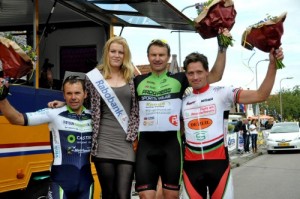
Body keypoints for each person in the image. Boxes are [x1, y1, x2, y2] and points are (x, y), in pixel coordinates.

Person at [134, 29, 230, 198]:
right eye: (153, 55)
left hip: (171, 146)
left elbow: (215, 75)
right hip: (146, 146)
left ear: (168, 57)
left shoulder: (179, 79)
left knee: (171, 196)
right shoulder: (138, 81)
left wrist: (222, 46)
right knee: (145, 196)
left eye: (161, 55)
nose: (157, 58)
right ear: (148, 56)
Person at [181, 48, 283, 198]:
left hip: (219, 166)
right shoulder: (183, 100)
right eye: (191, 73)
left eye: (199, 72)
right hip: (191, 168)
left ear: (207, 72)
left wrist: (273, 65)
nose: (195, 77)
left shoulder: (222, 93)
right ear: (186, 75)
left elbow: (261, 95)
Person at [48, 36, 139, 199]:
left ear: (125, 55)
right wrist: (64, 104)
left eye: (120, 52)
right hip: (103, 141)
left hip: (126, 141)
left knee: (123, 195)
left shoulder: (132, 78)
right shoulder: (94, 78)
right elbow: (85, 100)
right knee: (109, 193)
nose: (116, 55)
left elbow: (138, 108)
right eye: (113, 51)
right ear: (107, 53)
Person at [0, 76, 94, 199]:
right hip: (60, 182)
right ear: (64, 95)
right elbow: (17, 119)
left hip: (86, 183)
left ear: (85, 94)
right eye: (69, 93)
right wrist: (2, 99)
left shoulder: (93, 117)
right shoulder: (54, 113)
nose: (73, 97)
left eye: (77, 93)